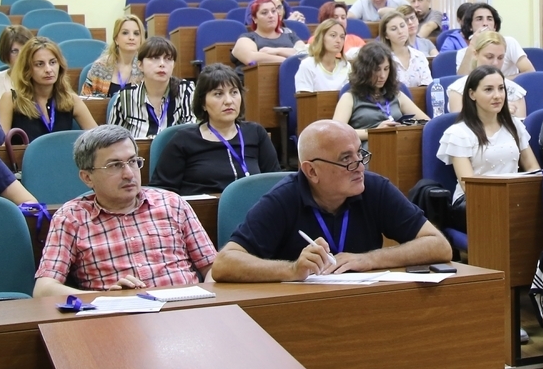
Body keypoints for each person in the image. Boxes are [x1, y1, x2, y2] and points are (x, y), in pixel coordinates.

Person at [210, 120, 451, 282]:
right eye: (346, 159)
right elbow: (224, 264)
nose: (360, 166)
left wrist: (369, 259)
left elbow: (439, 245)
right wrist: (292, 269)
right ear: (312, 171)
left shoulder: (374, 187)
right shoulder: (283, 198)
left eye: (360, 153)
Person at [32, 125, 216, 296]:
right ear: (87, 177)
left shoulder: (172, 203)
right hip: (117, 315)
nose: (129, 174)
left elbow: (213, 267)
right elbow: (44, 289)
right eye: (115, 165)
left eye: (133, 161)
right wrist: (106, 299)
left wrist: (208, 301)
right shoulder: (71, 218)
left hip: (186, 308)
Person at [150, 63, 281, 195]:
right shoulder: (183, 140)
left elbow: (275, 183)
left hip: (251, 207)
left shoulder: (256, 133)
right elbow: (160, 193)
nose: (229, 101)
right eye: (218, 94)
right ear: (203, 103)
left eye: (234, 92)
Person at [437, 65, 539, 232]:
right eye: (488, 90)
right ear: (472, 94)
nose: (497, 96)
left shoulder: (514, 125)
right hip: (474, 202)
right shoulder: (458, 133)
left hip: (513, 198)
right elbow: (468, 185)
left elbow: (533, 168)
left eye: (501, 88)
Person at [0, 37, 96, 140]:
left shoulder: (71, 100)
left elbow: (99, 139)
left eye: (52, 62)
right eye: (40, 64)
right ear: (27, 69)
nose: (48, 69)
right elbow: (1, 145)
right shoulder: (11, 99)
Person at [333, 43, 428, 148]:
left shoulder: (397, 94)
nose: (382, 75)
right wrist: (375, 132)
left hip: (399, 147)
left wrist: (407, 126)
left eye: (386, 69)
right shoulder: (349, 98)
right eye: (377, 70)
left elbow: (427, 123)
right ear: (364, 70)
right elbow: (336, 133)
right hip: (368, 150)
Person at [108, 37, 195, 139]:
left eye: (168, 59)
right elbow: (112, 140)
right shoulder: (125, 97)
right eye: (155, 58)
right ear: (140, 65)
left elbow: (193, 132)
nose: (162, 64)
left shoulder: (186, 90)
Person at [447, 31, 527, 118]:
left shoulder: (515, 92)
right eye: (489, 57)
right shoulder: (459, 90)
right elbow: (461, 123)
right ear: (475, 54)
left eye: (500, 58)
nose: (495, 63)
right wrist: (500, 112)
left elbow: (519, 125)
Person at [455, 3, 534, 78]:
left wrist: (500, 81)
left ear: (495, 26)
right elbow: (461, 81)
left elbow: (530, 72)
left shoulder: (509, 42)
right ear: (470, 26)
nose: (485, 23)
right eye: (479, 19)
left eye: (489, 19)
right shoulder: (463, 53)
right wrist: (472, 45)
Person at [231, 0, 307, 66]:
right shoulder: (247, 38)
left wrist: (277, 51)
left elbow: (304, 53)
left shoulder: (289, 34)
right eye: (264, 13)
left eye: (273, 11)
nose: (271, 15)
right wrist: (288, 61)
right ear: (254, 19)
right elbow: (251, 58)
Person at [81, 15, 144, 97]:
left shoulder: (145, 67)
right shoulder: (100, 67)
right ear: (116, 39)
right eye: (125, 33)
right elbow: (85, 99)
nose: (131, 37)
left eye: (136, 33)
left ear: (141, 39)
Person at [377, 8, 431, 88]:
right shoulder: (383, 59)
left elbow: (428, 86)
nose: (400, 31)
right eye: (394, 29)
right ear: (386, 35)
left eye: (402, 26)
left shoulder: (419, 56)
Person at [294, 19, 350, 92]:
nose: (338, 40)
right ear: (321, 38)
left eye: (342, 37)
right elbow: (304, 97)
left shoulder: (346, 66)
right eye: (333, 35)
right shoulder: (308, 65)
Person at [0, 25, 31, 101]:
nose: (21, 55)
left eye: (25, 49)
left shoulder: (41, 79)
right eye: (14, 51)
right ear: (5, 53)